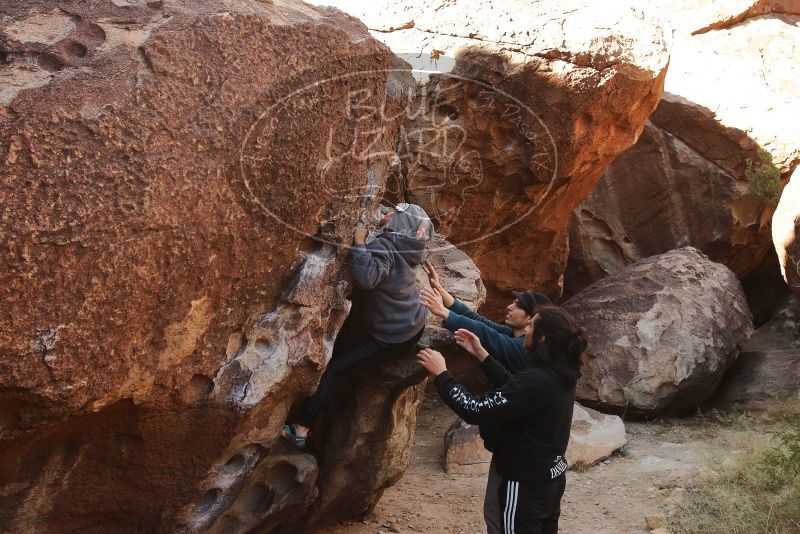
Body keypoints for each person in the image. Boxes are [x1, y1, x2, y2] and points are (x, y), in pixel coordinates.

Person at [417, 306, 588, 534]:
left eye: (531, 326)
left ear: (543, 338)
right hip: (550, 480)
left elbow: (475, 409)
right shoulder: (562, 373)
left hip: (525, 485)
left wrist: (442, 375)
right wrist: (483, 356)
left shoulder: (537, 381)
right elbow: (516, 389)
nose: (526, 330)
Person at [283, 203, 433, 447]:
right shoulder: (410, 246)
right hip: (412, 322)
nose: (388, 214)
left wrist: (360, 243)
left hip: (391, 337)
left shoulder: (386, 246)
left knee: (334, 368)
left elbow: (367, 278)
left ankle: (301, 428)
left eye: (395, 214)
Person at [420, 265, 551, 534]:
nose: (509, 306)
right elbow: (482, 325)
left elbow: (488, 338)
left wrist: (442, 372)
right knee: (501, 515)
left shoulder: (522, 350)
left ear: (531, 319)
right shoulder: (514, 337)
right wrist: (445, 295)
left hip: (518, 459)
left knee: (501, 519)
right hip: (514, 451)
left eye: (518, 305)